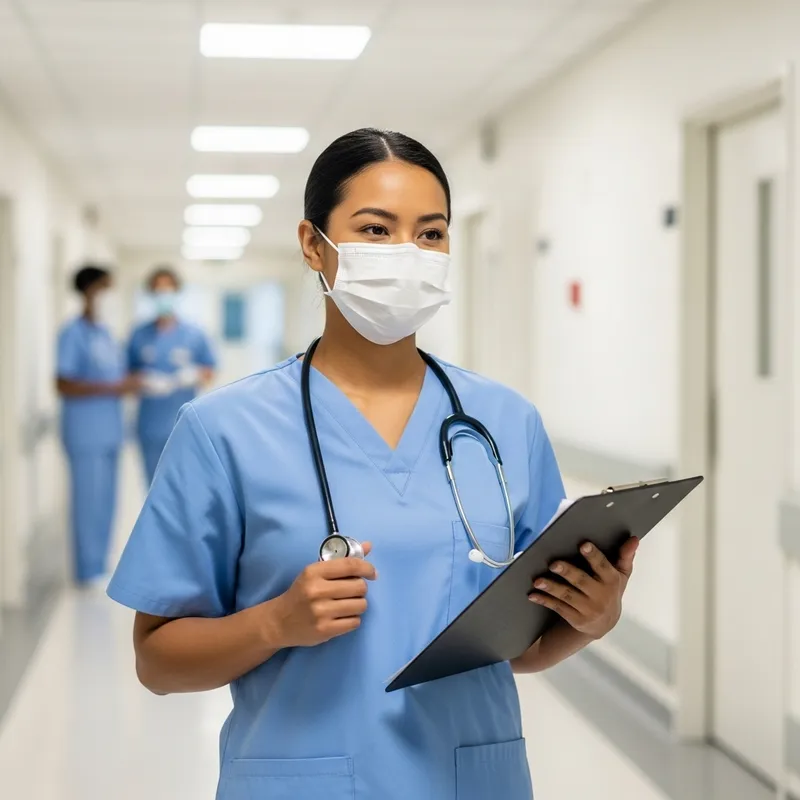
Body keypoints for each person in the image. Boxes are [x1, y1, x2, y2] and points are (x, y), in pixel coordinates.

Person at [107, 129, 639, 799]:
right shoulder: (224, 430)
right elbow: (157, 661)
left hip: (472, 779)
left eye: (431, 233)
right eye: (376, 230)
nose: (406, 254)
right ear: (313, 245)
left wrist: (595, 617)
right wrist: (276, 622)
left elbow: (524, 646)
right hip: (303, 779)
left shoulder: (505, 422)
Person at [56, 264, 138, 586]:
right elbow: (63, 383)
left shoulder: (105, 333)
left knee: (106, 500)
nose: (110, 296)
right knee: (88, 502)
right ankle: (86, 570)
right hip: (85, 432)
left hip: (110, 431)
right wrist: (114, 388)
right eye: (106, 288)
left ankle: (99, 564)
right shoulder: (72, 333)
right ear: (90, 291)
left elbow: (116, 376)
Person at [127, 266, 216, 484]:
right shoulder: (139, 334)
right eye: (158, 291)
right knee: (154, 486)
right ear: (150, 294)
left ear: (177, 292)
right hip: (150, 425)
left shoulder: (194, 333)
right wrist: (144, 381)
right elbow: (126, 377)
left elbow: (209, 371)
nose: (163, 296)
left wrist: (192, 375)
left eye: (168, 290)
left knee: (185, 486)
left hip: (185, 424)